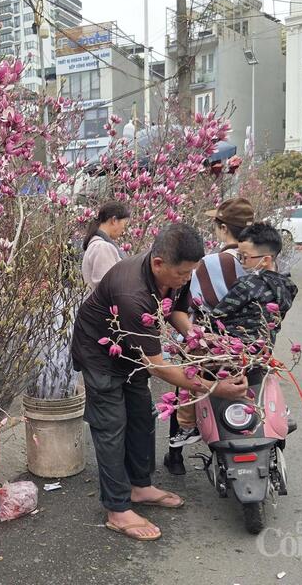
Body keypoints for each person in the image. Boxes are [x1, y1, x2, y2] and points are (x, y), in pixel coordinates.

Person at [71, 223, 249, 542]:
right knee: (111, 426)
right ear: (158, 263)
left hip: (133, 350)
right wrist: (214, 388)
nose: (187, 278)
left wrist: (197, 336)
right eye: (182, 274)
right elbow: (158, 367)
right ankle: (117, 508)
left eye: (190, 272)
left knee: (142, 416)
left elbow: (177, 310)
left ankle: (140, 487)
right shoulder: (132, 291)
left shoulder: (178, 272)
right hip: (100, 353)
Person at [165, 198, 254, 474]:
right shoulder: (259, 260)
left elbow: (187, 303)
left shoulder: (210, 263)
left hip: (208, 345)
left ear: (223, 228)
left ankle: (176, 455)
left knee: (184, 389)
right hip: (249, 345)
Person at [81, 201, 131, 292]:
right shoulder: (102, 247)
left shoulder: (96, 244)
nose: (123, 229)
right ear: (114, 220)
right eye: (124, 224)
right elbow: (108, 285)